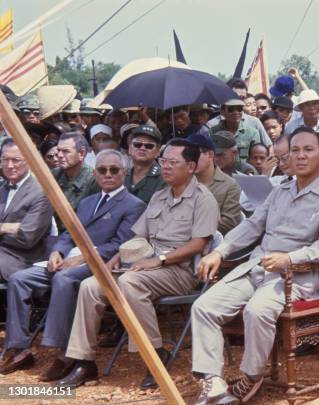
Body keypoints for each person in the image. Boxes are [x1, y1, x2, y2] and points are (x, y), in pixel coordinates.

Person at [190, 127, 319, 404]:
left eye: (308, 150)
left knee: (257, 310)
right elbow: (252, 225)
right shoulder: (280, 191)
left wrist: (290, 258)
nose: (300, 156)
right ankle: (213, 381)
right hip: (257, 268)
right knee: (204, 307)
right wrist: (221, 252)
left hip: (293, 278)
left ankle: (250, 377)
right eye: (295, 150)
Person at [59, 139, 219, 389]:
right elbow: (138, 236)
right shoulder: (159, 196)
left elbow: (199, 244)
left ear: (190, 167)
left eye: (172, 163)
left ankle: (154, 354)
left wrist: (159, 260)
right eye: (163, 161)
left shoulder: (203, 199)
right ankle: (84, 361)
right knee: (92, 285)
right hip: (144, 267)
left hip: (180, 271)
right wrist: (113, 261)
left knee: (130, 283)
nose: (165, 167)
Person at [0, 150, 145, 379]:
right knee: (20, 279)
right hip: (68, 259)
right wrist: (57, 251)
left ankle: (64, 351)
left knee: (64, 279)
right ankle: (19, 348)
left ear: (124, 173)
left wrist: (84, 256)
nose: (107, 174)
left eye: (114, 170)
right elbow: (69, 232)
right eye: (102, 170)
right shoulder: (87, 202)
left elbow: (121, 244)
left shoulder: (133, 204)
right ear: (95, 173)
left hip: (99, 263)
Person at [0, 140, 53, 281]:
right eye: (5, 160)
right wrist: (7, 228)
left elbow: (27, 238)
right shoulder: (1, 189)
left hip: (21, 260)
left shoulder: (41, 193)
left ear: (29, 160)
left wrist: (3, 227)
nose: (10, 165)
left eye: (15, 160)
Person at [188, 133, 242, 235]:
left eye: (194, 155)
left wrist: (188, 223)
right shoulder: (183, 181)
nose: (190, 161)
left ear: (210, 155)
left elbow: (229, 223)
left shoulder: (230, 186)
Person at [53, 132, 98, 231]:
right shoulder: (54, 175)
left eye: (65, 151)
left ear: (81, 153)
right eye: (58, 150)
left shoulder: (94, 181)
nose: (59, 155)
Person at [124, 125, 165, 204]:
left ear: (158, 152)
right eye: (137, 144)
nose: (142, 148)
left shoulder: (164, 179)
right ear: (129, 149)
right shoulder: (120, 175)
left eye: (149, 146)